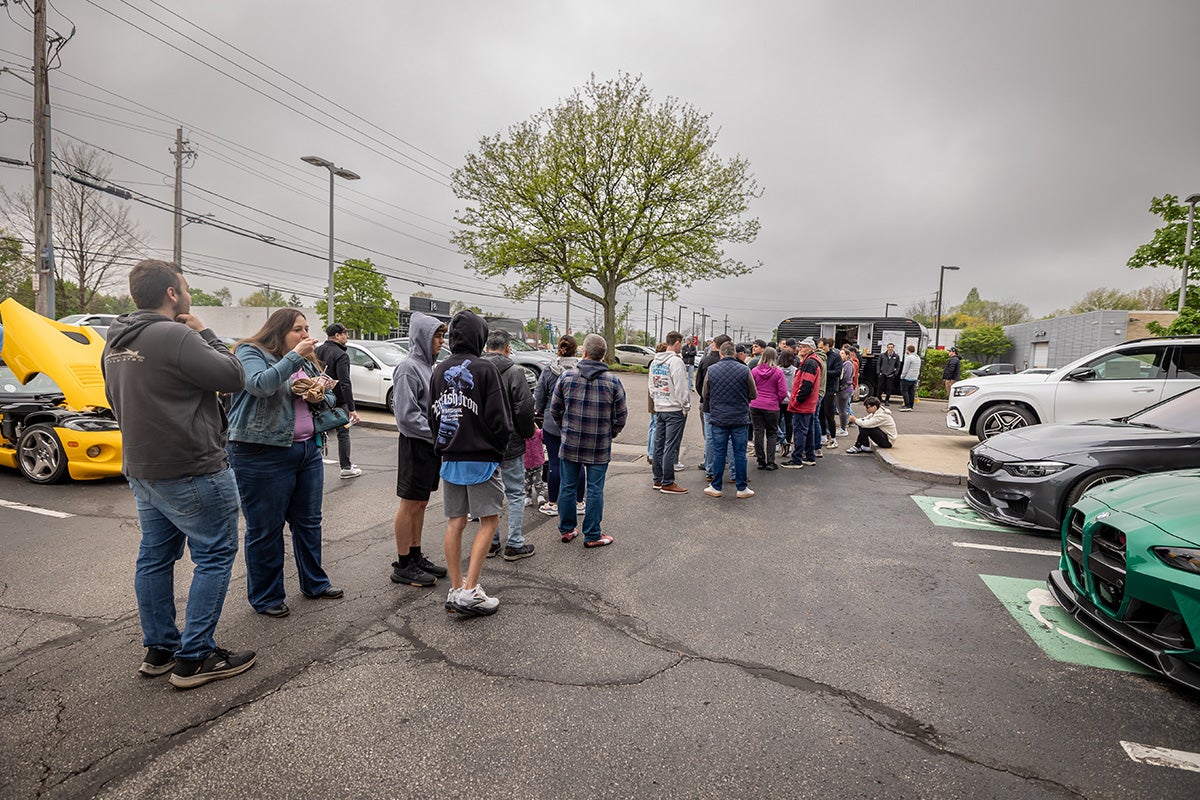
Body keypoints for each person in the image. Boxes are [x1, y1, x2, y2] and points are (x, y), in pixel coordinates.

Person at [103, 258, 255, 689]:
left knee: (155, 556)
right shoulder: (175, 334)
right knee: (214, 555)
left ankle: (160, 649)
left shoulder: (114, 341)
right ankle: (196, 657)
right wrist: (205, 332)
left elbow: (115, 397)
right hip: (192, 468)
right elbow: (234, 375)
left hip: (142, 468)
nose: (188, 294)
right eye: (185, 287)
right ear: (172, 293)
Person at [227, 308, 344, 619]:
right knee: (266, 529)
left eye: (306, 329)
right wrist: (293, 357)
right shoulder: (251, 352)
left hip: (307, 451)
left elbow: (328, 398)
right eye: (298, 329)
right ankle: (266, 596)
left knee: (309, 523)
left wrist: (321, 394)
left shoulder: (304, 358)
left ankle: (315, 583)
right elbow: (260, 385)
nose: (306, 335)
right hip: (262, 453)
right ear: (278, 331)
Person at [430, 310, 513, 616]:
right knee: (489, 520)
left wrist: (442, 446)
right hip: (481, 458)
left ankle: (456, 588)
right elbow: (500, 419)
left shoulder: (439, 371)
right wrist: (498, 450)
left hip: (451, 456)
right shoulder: (485, 369)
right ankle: (470, 591)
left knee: (456, 521)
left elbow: (432, 415)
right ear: (480, 335)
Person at [390, 312, 450, 587]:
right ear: (422, 337)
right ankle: (403, 564)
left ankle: (415, 555)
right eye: (436, 336)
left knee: (421, 502)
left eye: (441, 336)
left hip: (430, 445)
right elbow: (406, 416)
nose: (440, 341)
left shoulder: (429, 367)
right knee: (410, 502)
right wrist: (436, 435)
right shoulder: (408, 367)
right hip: (416, 443)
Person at [550, 333, 627, 547]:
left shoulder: (566, 378)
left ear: (584, 352)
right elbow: (621, 416)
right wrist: (610, 433)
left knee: (568, 486)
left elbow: (554, 410)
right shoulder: (613, 382)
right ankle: (592, 534)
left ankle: (567, 529)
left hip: (570, 442)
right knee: (594, 489)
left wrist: (565, 429)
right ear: (602, 356)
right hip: (599, 445)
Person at [481, 328, 538, 561]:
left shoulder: (477, 370)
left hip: (484, 442)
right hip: (511, 440)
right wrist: (526, 434)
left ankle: (491, 542)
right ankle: (514, 542)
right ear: (507, 348)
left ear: (486, 348)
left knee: (490, 494)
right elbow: (524, 408)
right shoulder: (514, 372)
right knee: (515, 492)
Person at [534, 335, 585, 516]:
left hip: (552, 423)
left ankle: (553, 503)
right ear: (576, 349)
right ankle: (579, 503)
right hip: (577, 423)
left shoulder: (549, 370)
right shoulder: (581, 370)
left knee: (554, 461)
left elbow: (539, 398)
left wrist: (540, 410)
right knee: (577, 463)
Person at [702, 341, 756, 498]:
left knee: (719, 452)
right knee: (739, 453)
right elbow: (753, 394)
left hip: (719, 417)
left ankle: (716, 487)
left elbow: (706, 394)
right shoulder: (745, 370)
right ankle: (742, 488)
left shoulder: (711, 370)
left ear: (720, 353)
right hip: (740, 417)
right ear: (734, 353)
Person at [314, 322, 362, 479]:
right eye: (345, 334)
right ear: (337, 335)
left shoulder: (317, 350)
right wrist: (352, 408)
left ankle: (314, 465)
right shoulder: (341, 355)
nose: (347, 337)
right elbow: (345, 382)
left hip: (318, 398)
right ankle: (346, 467)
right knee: (343, 432)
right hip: (338, 401)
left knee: (317, 430)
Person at [649, 331, 690, 494]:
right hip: (674, 408)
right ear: (678, 343)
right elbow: (680, 386)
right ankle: (668, 482)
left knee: (658, 444)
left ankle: (657, 479)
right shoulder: (676, 361)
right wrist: (685, 405)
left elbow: (651, 385)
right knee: (670, 446)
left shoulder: (655, 362)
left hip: (659, 406)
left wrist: (657, 399)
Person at [782, 338, 822, 469]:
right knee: (808, 430)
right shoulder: (812, 361)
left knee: (799, 431)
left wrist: (797, 400)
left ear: (811, 348)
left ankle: (797, 459)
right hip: (809, 403)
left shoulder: (809, 363)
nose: (800, 349)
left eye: (804, 346)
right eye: (800, 346)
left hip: (803, 404)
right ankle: (809, 457)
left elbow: (806, 385)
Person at [695, 334, 731, 479]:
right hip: (727, 405)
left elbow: (698, 384)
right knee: (727, 436)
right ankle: (727, 462)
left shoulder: (706, 361)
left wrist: (704, 397)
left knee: (709, 437)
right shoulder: (734, 363)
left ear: (714, 344)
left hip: (708, 404)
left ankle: (709, 466)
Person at [749, 346, 786, 470]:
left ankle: (760, 460)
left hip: (755, 404)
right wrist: (776, 401)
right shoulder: (778, 372)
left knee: (758, 432)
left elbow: (750, 388)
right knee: (772, 433)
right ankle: (770, 462)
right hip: (772, 406)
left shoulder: (754, 371)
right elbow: (783, 392)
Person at [818, 338, 842, 451]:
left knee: (829, 414)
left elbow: (838, 372)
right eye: (819, 348)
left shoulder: (835, 357)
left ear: (828, 346)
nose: (821, 350)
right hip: (820, 388)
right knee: (820, 414)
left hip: (830, 388)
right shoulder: (819, 356)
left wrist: (823, 372)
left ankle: (833, 438)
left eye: (822, 348)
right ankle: (823, 436)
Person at [836, 346, 856, 435]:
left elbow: (846, 377)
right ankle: (843, 427)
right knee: (842, 409)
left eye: (842, 353)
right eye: (840, 353)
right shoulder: (844, 363)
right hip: (844, 389)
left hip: (845, 389)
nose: (840, 355)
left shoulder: (847, 364)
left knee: (842, 410)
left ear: (847, 355)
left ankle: (843, 428)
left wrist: (839, 381)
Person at [900, 344, 922, 411]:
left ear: (908, 350)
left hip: (907, 377)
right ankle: (911, 405)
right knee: (911, 392)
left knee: (904, 391)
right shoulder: (918, 358)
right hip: (914, 377)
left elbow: (905, 368)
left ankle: (907, 405)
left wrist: (902, 376)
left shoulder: (909, 358)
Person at [942, 346, 962, 411]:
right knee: (951, 394)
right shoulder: (956, 359)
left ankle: (949, 407)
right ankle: (950, 407)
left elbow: (951, 370)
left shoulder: (953, 359)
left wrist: (948, 378)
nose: (949, 353)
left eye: (950, 351)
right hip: (954, 379)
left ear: (953, 352)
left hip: (951, 379)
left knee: (950, 394)